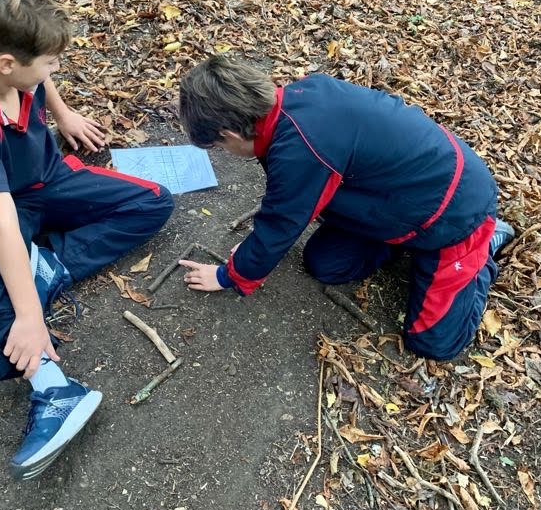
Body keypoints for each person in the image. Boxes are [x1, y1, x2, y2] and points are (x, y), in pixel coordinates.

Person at [0, 0, 174, 480]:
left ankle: (47, 265)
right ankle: (54, 390)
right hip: (5, 206)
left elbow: (41, 78)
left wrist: (64, 115)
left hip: (53, 177)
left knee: (155, 201)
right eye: (49, 61)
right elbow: (0, 222)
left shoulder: (20, 69)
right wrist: (29, 318)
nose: (53, 68)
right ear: (6, 63)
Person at [177, 56, 514, 361]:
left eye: (218, 146)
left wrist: (229, 274)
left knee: (433, 343)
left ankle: (483, 249)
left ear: (230, 132)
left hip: (454, 213)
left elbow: (280, 223)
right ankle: (404, 244)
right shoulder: (294, 101)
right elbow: (287, 209)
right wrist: (254, 251)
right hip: (396, 201)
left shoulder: (301, 149)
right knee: (327, 264)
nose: (224, 152)